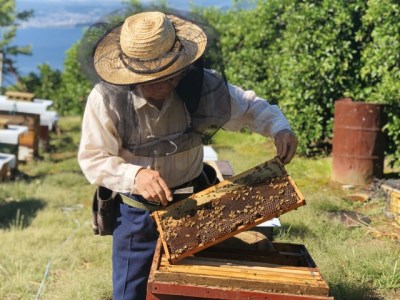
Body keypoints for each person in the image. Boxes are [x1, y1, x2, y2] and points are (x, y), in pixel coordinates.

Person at [78, 10, 297, 300]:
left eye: (172, 75)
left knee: (192, 289)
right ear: (132, 73)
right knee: (131, 292)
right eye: (155, 78)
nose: (166, 85)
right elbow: (93, 157)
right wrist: (135, 175)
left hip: (196, 203)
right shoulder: (106, 99)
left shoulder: (200, 85)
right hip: (138, 215)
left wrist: (279, 128)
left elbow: (249, 107)